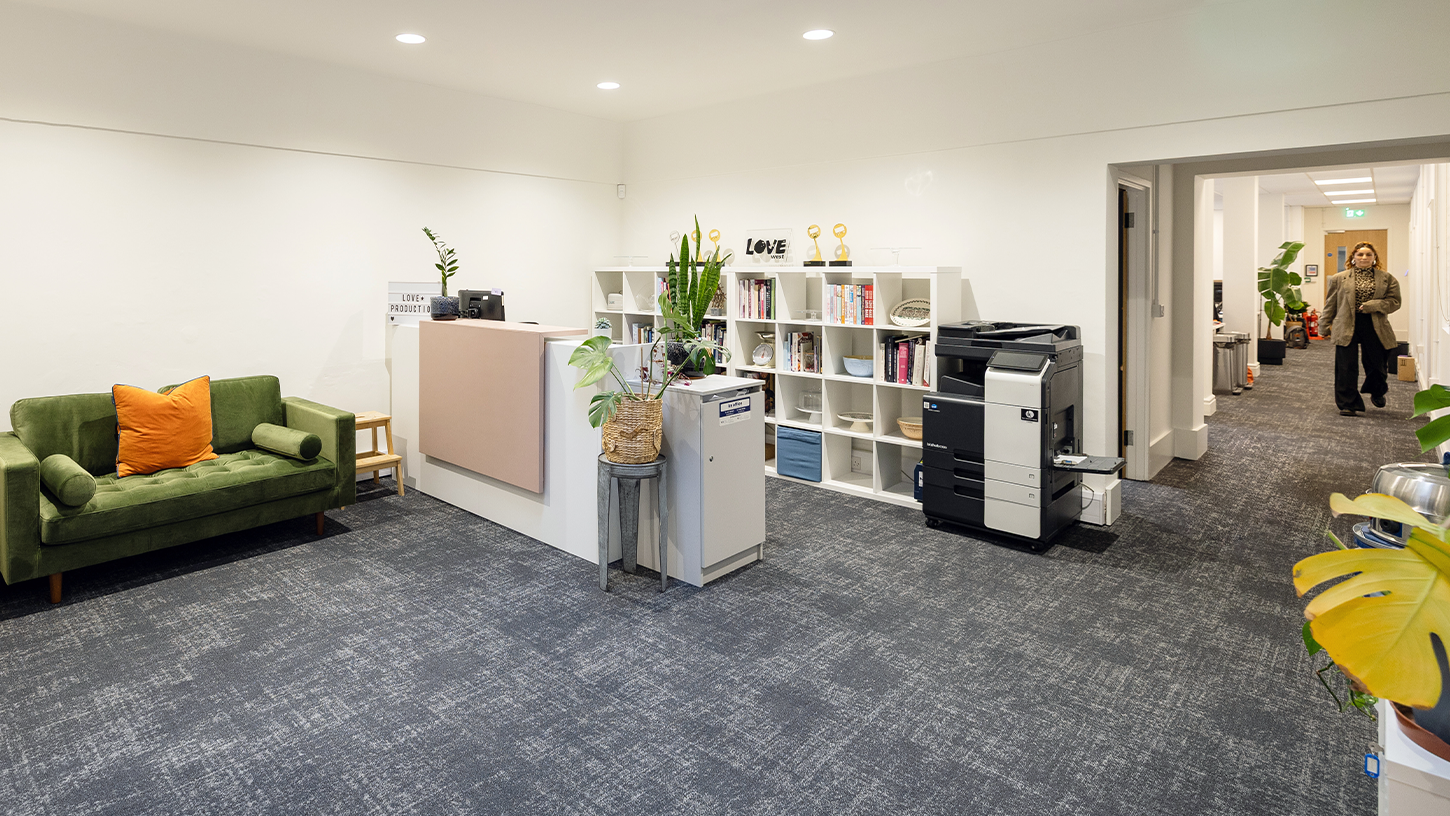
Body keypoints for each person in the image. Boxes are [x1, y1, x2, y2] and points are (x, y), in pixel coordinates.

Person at [1320, 241, 1401, 416]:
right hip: (1346, 324)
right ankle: (1348, 404)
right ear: (1353, 258)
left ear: (1374, 258)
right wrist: (1324, 324)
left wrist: (1375, 305)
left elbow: (1395, 302)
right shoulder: (1339, 278)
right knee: (1345, 366)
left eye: (1368, 255)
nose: (1364, 257)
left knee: (1377, 365)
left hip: (1375, 325)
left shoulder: (1387, 278)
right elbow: (1330, 304)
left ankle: (1377, 390)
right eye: (1360, 254)